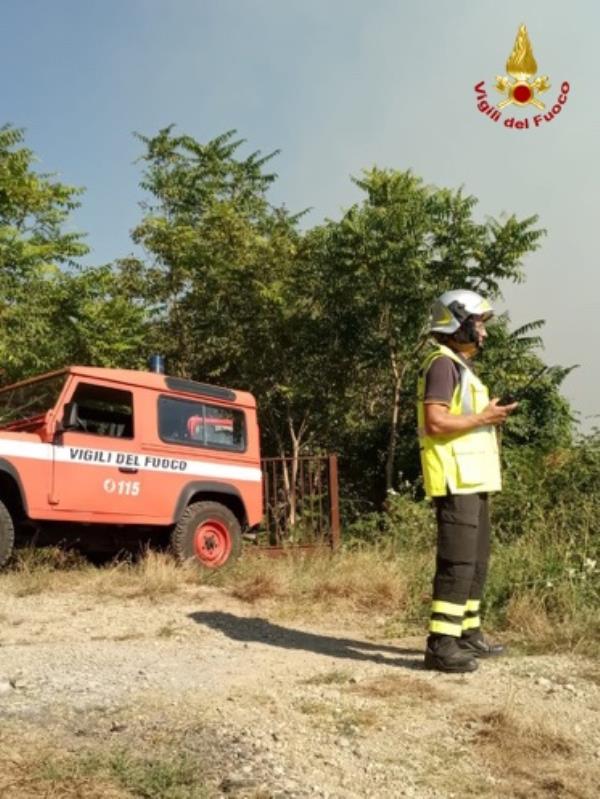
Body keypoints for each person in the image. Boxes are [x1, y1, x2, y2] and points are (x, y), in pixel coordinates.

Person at [417, 289, 518, 673]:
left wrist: (488, 415)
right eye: (479, 324)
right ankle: (440, 646)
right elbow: (436, 421)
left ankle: (466, 633)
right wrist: (484, 418)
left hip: (473, 481)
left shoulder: (460, 365)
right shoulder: (442, 364)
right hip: (455, 481)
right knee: (457, 563)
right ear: (457, 322)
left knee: (476, 561)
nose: (484, 333)